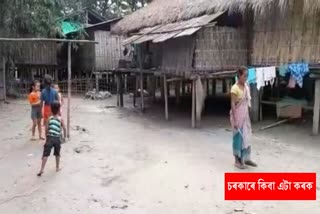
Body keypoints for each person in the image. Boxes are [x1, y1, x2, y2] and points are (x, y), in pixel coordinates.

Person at [230, 66, 257, 169]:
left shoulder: (246, 86)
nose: (246, 78)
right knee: (238, 138)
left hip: (245, 116)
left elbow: (247, 101)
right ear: (239, 76)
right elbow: (233, 105)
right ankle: (237, 160)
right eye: (244, 76)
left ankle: (246, 158)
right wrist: (236, 120)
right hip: (237, 116)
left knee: (246, 136)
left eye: (247, 76)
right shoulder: (234, 88)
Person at [37, 101, 66, 177]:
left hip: (50, 137)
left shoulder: (49, 119)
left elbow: (46, 129)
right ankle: (57, 167)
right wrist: (64, 137)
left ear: (51, 109)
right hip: (57, 138)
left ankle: (42, 169)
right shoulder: (60, 119)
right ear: (59, 109)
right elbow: (64, 128)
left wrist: (47, 137)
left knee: (45, 154)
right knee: (57, 154)